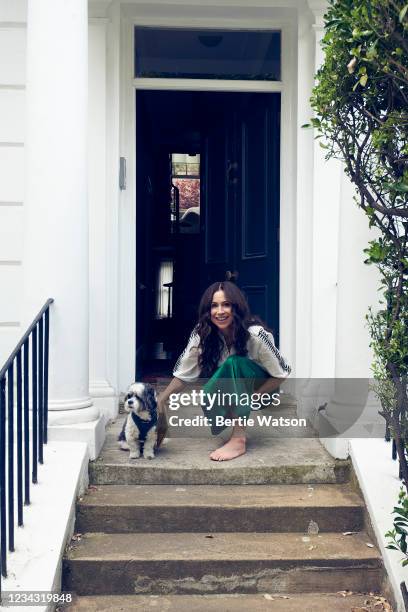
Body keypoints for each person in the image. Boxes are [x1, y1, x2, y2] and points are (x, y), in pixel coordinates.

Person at [157, 281, 291, 461]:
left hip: (265, 389)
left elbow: (282, 373)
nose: (220, 311)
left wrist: (256, 395)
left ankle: (238, 440)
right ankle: (232, 418)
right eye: (214, 306)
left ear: (236, 307)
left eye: (226, 305)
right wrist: (161, 400)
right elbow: (183, 374)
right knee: (208, 392)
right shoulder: (202, 334)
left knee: (233, 363)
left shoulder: (256, 334)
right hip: (237, 388)